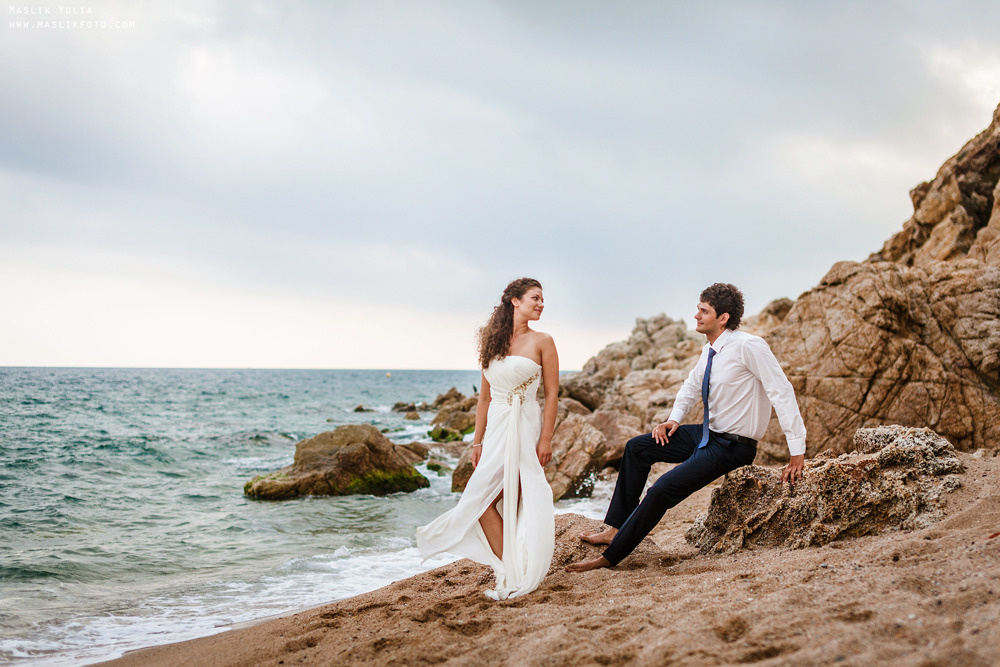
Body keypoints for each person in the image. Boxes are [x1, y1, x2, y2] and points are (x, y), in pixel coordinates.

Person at [567, 283, 806, 572]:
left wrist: (797, 452)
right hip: (707, 434)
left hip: (732, 446)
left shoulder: (749, 346)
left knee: (660, 490)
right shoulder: (710, 350)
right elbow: (691, 387)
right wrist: (674, 419)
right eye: (698, 309)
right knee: (637, 448)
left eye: (704, 311)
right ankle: (615, 528)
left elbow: (782, 391)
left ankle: (610, 557)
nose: (696, 315)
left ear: (723, 318)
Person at [417, 277, 559, 599]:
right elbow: (484, 399)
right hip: (496, 425)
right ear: (515, 301)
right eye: (535, 298)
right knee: (480, 500)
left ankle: (520, 566)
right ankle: (511, 566)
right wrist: (477, 441)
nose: (541, 304)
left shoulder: (544, 341)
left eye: (542, 299)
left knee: (519, 496)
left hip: (524, 424)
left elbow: (552, 394)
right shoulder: (492, 342)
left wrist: (546, 439)